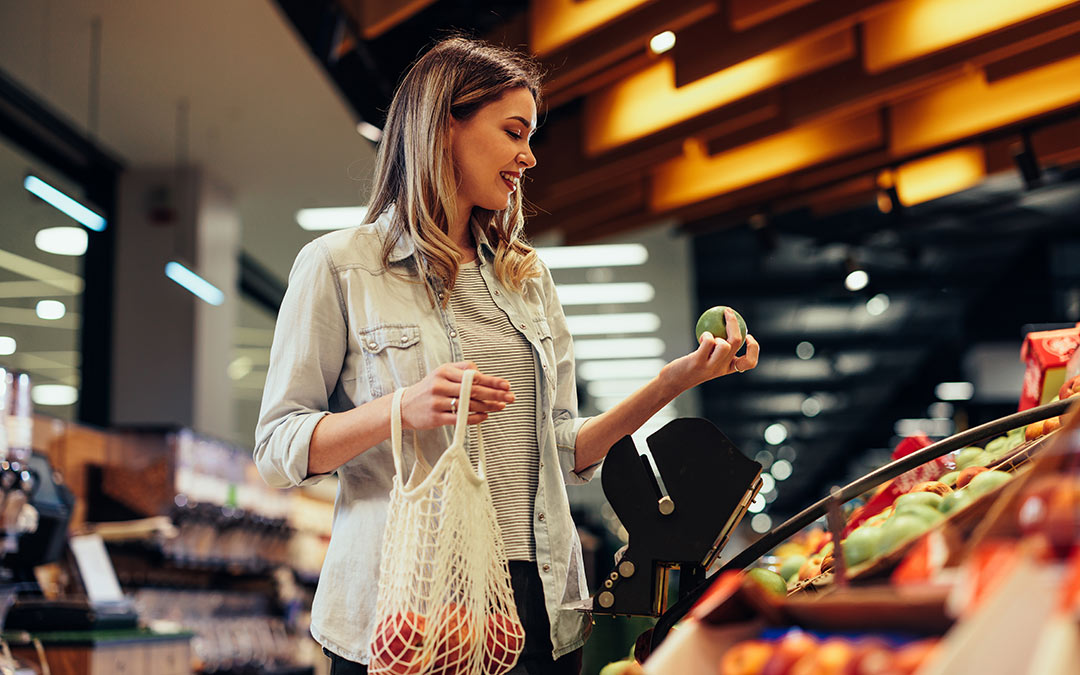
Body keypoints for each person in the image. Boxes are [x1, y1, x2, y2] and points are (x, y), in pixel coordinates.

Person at [254, 36, 759, 675]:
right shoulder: (340, 266)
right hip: (410, 607)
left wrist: (677, 378)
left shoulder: (528, 280)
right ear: (444, 127)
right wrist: (400, 408)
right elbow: (278, 449)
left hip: (539, 601)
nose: (528, 157)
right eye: (514, 131)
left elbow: (566, 447)